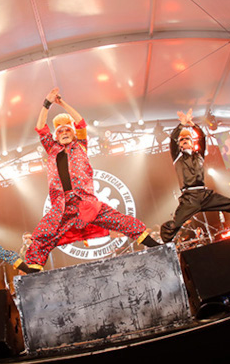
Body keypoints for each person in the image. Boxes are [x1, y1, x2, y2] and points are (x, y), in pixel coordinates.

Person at [24, 88, 160, 271]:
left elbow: (80, 123)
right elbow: (41, 128)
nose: (64, 132)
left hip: (85, 202)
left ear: (73, 133)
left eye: (67, 129)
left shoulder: (80, 145)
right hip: (61, 206)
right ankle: (33, 273)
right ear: (56, 136)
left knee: (121, 221)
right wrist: (47, 103)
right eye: (60, 131)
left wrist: (61, 103)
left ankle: (156, 246)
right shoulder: (52, 149)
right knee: (42, 236)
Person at [160, 109, 230, 243]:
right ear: (179, 144)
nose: (184, 140)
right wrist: (182, 124)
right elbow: (172, 140)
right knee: (174, 225)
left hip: (204, 194)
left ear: (192, 142)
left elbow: (202, 137)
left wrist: (192, 125)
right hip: (189, 198)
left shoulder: (199, 155)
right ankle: (162, 245)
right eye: (181, 140)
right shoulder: (177, 157)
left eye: (187, 139)